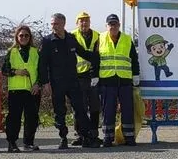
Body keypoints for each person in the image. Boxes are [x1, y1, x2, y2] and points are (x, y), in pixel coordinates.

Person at [38, 13, 100, 149]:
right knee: (60, 111)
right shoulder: (47, 41)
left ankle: (86, 136)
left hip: (73, 81)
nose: (53, 26)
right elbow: (42, 64)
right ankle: (63, 137)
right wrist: (45, 83)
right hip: (57, 82)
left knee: (80, 109)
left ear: (63, 24)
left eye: (56, 24)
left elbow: (84, 53)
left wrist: (98, 57)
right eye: (52, 24)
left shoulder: (71, 39)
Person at [99, 13, 140, 147]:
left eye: (115, 24)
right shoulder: (100, 39)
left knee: (127, 110)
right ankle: (107, 137)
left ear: (119, 25)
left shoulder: (127, 39)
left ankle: (129, 137)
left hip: (124, 80)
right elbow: (95, 59)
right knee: (108, 110)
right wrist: (95, 76)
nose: (113, 27)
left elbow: (134, 59)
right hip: (107, 80)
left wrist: (136, 75)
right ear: (106, 26)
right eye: (110, 24)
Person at [0, 25, 42, 152]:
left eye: (26, 35)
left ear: (30, 37)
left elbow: (41, 71)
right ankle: (12, 143)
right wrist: (16, 72)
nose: (24, 37)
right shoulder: (11, 52)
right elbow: (4, 70)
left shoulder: (35, 52)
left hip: (32, 90)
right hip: (16, 91)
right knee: (14, 118)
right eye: (21, 35)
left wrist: (38, 84)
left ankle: (28, 142)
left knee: (32, 118)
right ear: (17, 37)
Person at [70, 11, 102, 147]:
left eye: (86, 21)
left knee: (95, 106)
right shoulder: (71, 36)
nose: (84, 23)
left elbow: (99, 54)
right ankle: (80, 135)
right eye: (81, 21)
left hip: (93, 76)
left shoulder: (98, 36)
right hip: (78, 76)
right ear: (77, 23)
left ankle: (94, 134)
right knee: (79, 108)